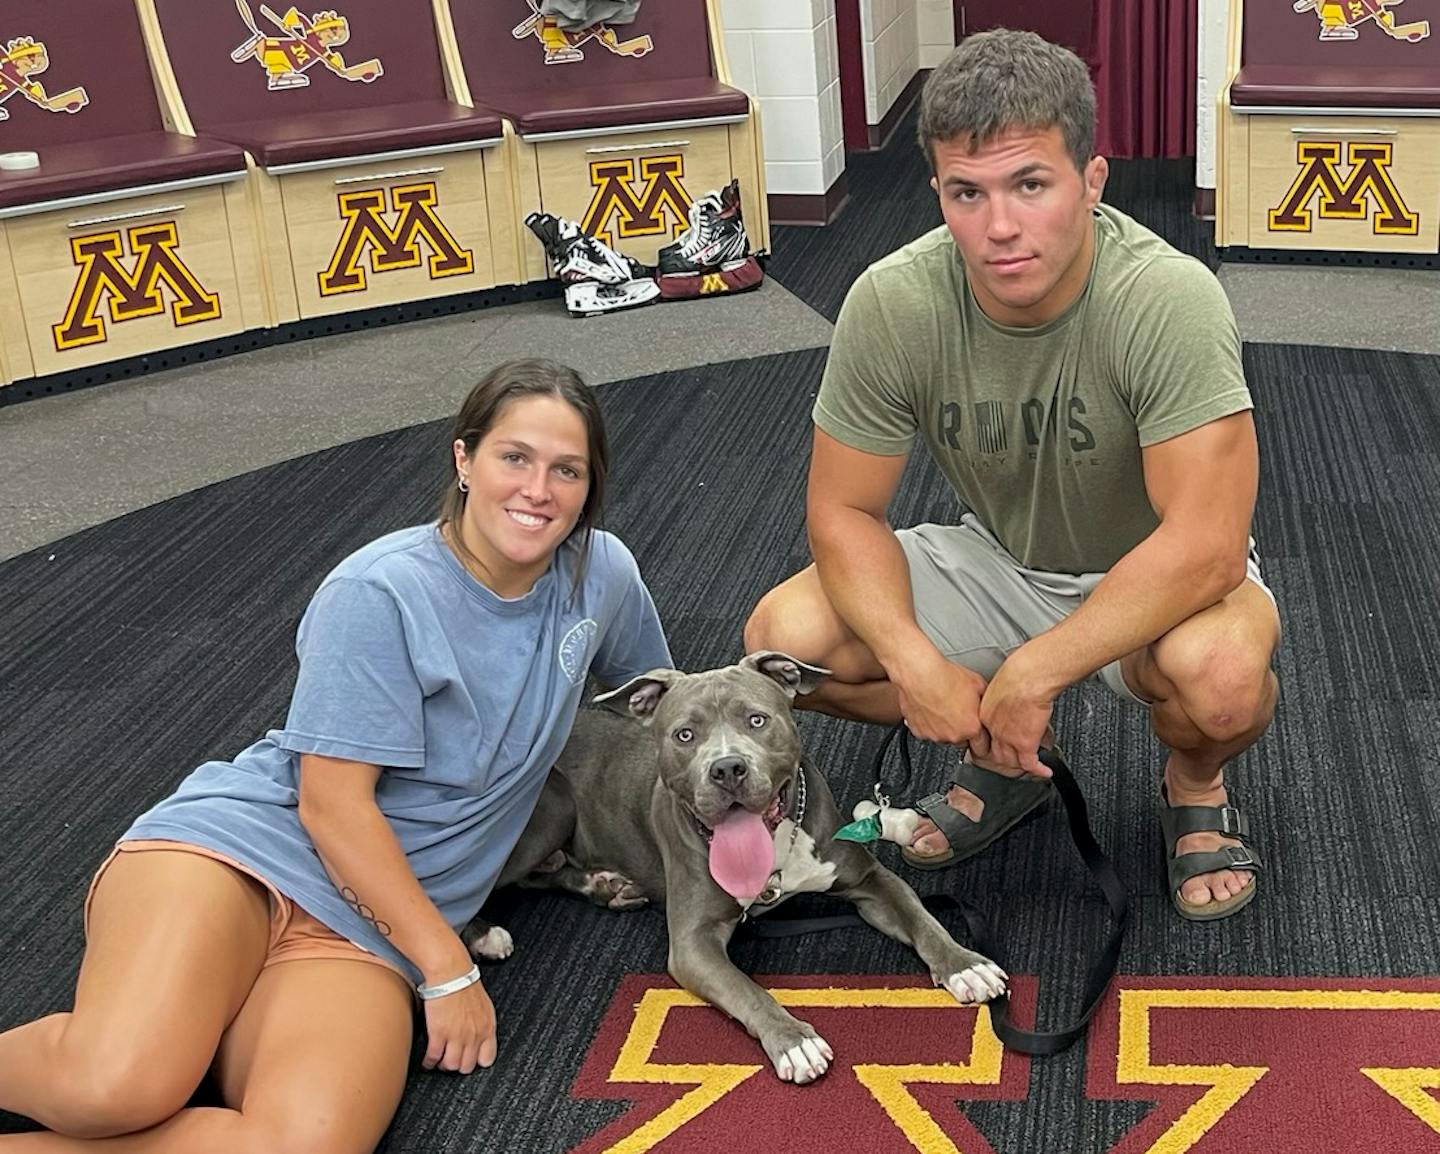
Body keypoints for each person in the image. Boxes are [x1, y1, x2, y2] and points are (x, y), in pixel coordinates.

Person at [0, 358, 672, 1152]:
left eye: (568, 470)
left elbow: (655, 705)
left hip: (364, 938)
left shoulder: (603, 575)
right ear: (464, 460)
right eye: (513, 457)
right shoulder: (380, 591)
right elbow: (331, 807)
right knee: (114, 1087)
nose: (539, 490)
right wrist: (448, 969)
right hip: (248, 861)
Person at [744, 30, 1280, 922]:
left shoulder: (1168, 299)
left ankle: (1194, 785)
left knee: (1222, 682)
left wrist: (1030, 674)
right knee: (786, 640)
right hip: (998, 560)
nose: (998, 227)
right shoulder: (894, 300)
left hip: (1154, 574)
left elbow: (1208, 544)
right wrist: (917, 664)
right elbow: (843, 509)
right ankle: (1005, 766)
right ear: (939, 194)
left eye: (1031, 184)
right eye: (968, 192)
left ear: (1092, 180)